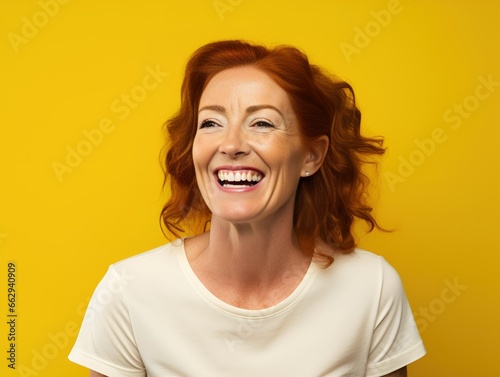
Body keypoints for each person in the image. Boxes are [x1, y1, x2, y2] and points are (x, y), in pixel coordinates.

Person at [69, 40, 426, 377]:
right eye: (211, 122)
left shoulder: (371, 288)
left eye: (262, 123)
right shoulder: (129, 291)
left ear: (311, 156)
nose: (231, 144)